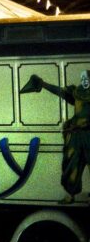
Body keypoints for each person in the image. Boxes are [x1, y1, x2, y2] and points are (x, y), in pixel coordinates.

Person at [21, 70, 90, 203]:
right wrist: (43, 84)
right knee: (71, 163)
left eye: (87, 78)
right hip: (76, 135)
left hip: (88, 133)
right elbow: (61, 92)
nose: (85, 81)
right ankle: (70, 194)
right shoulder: (77, 92)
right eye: (83, 78)